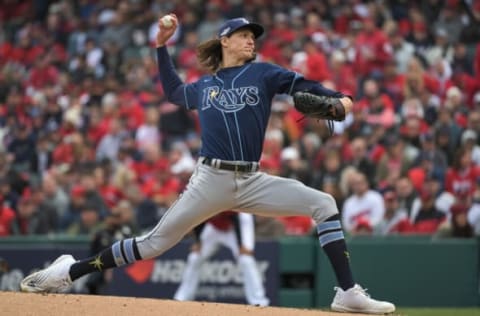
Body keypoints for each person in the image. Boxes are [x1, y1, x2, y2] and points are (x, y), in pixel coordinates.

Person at [20, 15, 395, 314]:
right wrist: (161, 47)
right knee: (153, 245)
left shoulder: (264, 73)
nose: (251, 40)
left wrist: (341, 98)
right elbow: (172, 92)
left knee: (324, 204)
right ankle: (68, 271)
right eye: (243, 34)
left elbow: (305, 85)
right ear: (225, 41)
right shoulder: (204, 86)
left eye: (253, 35)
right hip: (210, 179)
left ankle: (348, 293)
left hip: (252, 179)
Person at [174, 211, 269, 306]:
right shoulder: (205, 199)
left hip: (238, 220)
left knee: (246, 259)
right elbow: (199, 217)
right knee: (194, 257)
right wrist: (198, 241)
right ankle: (182, 298)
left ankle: (259, 301)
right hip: (215, 228)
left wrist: (241, 244)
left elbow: (235, 217)